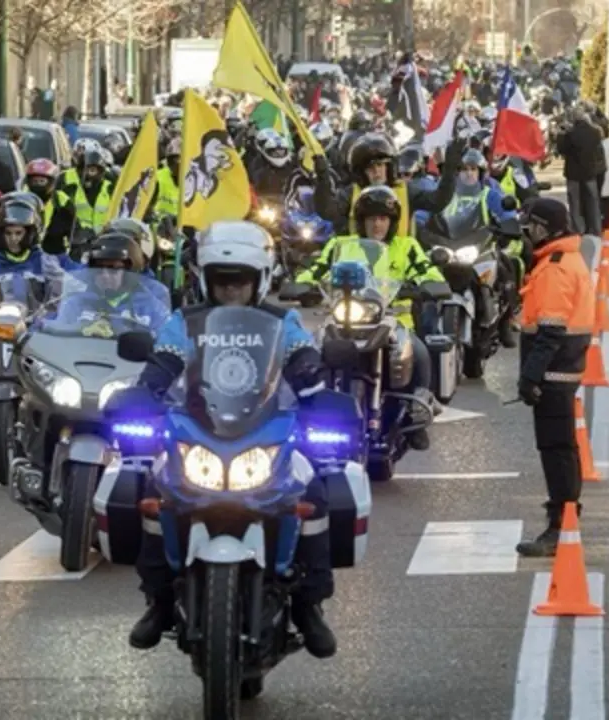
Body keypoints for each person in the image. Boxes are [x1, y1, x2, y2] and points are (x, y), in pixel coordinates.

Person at [111, 220, 335, 657]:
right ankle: (158, 600)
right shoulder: (184, 322)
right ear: (205, 280)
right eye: (222, 282)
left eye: (241, 282)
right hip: (199, 428)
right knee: (153, 488)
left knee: (316, 492)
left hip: (266, 427)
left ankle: (310, 605)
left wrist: (315, 384)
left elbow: (301, 356)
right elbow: (164, 360)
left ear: (260, 280)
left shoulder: (282, 321)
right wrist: (145, 390)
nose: (232, 291)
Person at [296, 185, 445, 449]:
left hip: (394, 320)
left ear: (392, 222)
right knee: (311, 349)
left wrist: (428, 285)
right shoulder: (339, 245)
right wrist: (302, 284)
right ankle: (309, 407)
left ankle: (416, 414)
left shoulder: (407, 246)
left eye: (383, 218)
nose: (377, 224)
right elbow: (315, 271)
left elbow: (428, 272)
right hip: (344, 320)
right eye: (371, 218)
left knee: (419, 352)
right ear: (361, 221)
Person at [515, 198, 596, 557]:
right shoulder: (566, 259)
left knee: (555, 448)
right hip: (564, 368)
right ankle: (566, 519)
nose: (527, 232)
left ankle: (560, 525)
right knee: (563, 446)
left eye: (531, 225)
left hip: (553, 370)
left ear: (545, 228)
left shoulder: (554, 268)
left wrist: (530, 377)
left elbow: (550, 330)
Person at [314, 132, 464, 237]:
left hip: (402, 266)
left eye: (380, 165)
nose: (376, 171)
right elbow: (327, 211)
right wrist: (322, 178)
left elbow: (438, 201)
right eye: (370, 167)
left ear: (389, 167)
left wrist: (450, 169)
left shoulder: (406, 191)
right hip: (360, 265)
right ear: (361, 172)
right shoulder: (352, 193)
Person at [558, 107, 605, 236]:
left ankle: (578, 229)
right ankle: (596, 228)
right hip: (590, 172)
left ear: (574, 118)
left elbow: (562, 150)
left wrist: (561, 134)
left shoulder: (570, 134)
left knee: (575, 203)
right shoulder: (594, 132)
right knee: (593, 201)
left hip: (573, 174)